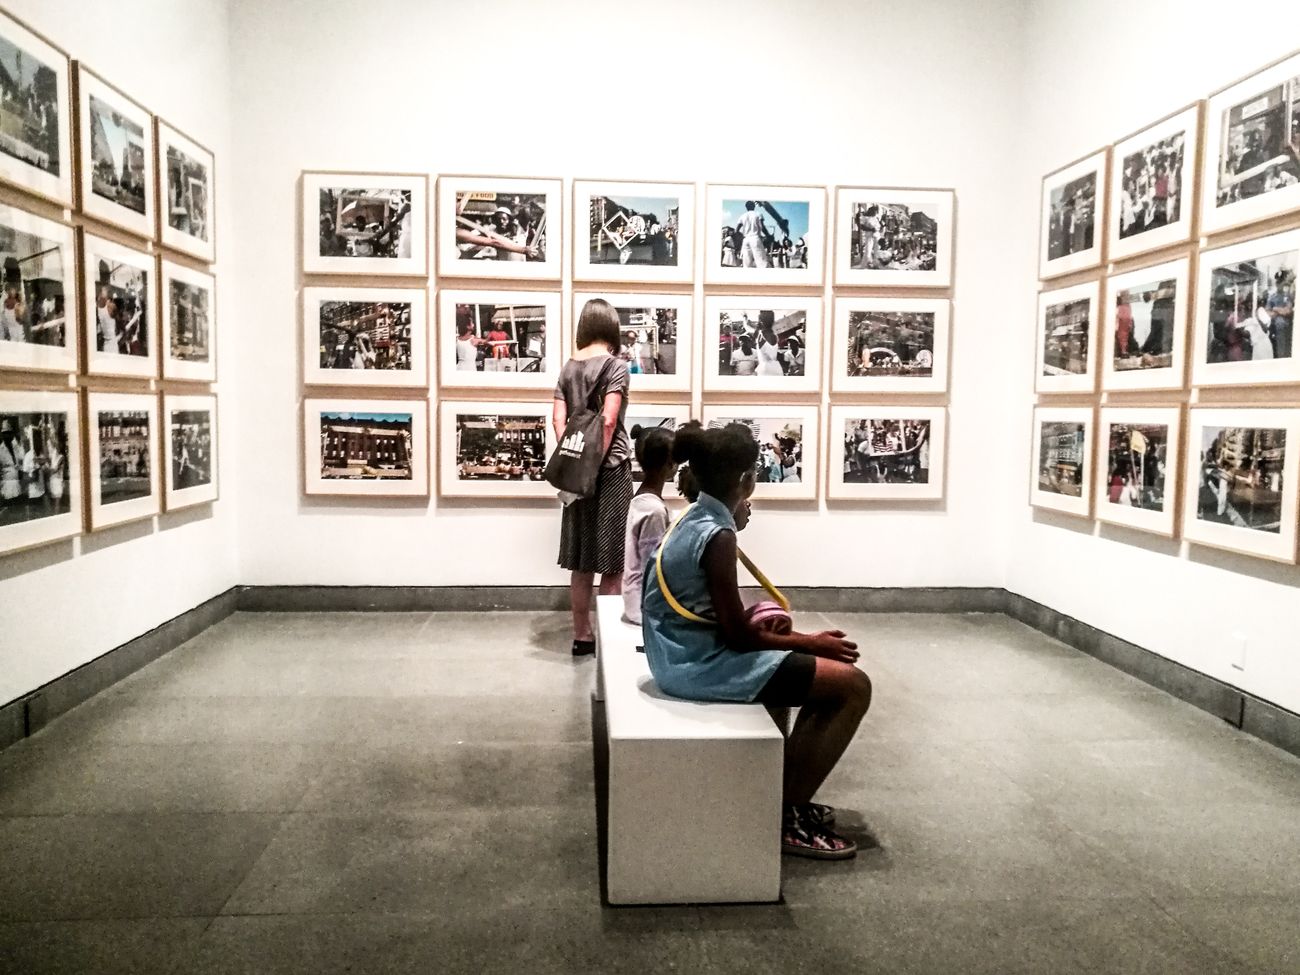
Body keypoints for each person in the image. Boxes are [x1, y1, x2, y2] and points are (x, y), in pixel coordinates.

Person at [641, 421, 871, 859]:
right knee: (853, 686)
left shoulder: (697, 518)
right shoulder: (717, 533)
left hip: (676, 655)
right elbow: (740, 637)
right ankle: (787, 813)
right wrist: (811, 642)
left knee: (824, 683)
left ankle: (784, 798)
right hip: (698, 666)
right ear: (747, 480)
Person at [553, 298, 633, 656]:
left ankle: (582, 636)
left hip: (576, 475)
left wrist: (576, 462)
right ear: (611, 328)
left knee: (581, 558)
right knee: (612, 559)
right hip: (611, 469)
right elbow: (610, 420)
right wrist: (595, 461)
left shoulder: (568, 368)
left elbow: (558, 419)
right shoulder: (616, 367)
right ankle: (609, 639)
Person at [622, 425, 675, 625]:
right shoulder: (654, 510)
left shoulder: (643, 500)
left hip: (637, 599)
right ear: (670, 463)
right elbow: (651, 566)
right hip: (644, 606)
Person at [736, 201, 770, 269]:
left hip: (746, 240)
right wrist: (768, 235)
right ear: (754, 206)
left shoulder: (742, 216)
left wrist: (742, 237)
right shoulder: (758, 214)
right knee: (762, 263)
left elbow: (736, 230)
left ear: (746, 207)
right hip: (755, 238)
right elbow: (762, 227)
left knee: (746, 265)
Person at [755, 311, 783, 376]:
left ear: (761, 321)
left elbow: (752, 340)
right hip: (776, 368)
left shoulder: (763, 335)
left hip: (766, 369)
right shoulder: (774, 335)